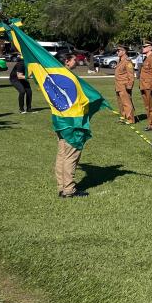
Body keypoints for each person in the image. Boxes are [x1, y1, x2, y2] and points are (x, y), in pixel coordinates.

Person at [52, 52, 89, 198]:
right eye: (74, 59)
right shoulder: (68, 78)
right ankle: (69, 189)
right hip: (71, 121)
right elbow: (80, 99)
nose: (76, 61)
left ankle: (62, 187)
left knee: (62, 155)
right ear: (67, 61)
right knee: (71, 156)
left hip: (60, 121)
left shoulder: (53, 76)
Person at [138, 41, 152, 131]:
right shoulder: (146, 58)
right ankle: (150, 123)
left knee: (151, 106)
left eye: (145, 46)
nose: (143, 48)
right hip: (144, 85)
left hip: (149, 86)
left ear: (150, 48)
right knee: (147, 106)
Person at [114, 45, 136, 124]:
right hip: (118, 85)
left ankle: (130, 119)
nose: (117, 52)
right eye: (117, 51)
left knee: (126, 103)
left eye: (119, 51)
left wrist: (129, 86)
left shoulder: (127, 61)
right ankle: (123, 117)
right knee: (120, 103)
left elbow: (131, 75)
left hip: (124, 85)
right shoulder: (120, 60)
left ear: (124, 51)